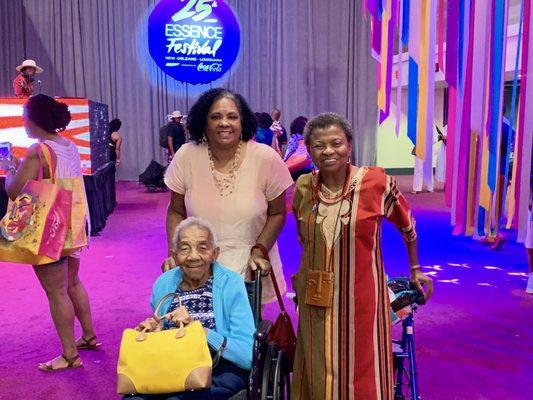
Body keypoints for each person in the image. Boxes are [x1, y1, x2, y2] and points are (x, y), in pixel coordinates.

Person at [291, 112, 433, 399]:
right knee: (317, 358)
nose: (328, 151)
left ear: (350, 145)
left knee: (363, 360)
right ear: (309, 151)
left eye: (336, 143)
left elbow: (408, 225)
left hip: (363, 294)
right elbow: (304, 238)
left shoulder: (376, 182)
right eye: (319, 146)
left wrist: (415, 268)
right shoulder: (304, 187)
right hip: (315, 294)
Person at [162, 88, 293, 303]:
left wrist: (260, 250)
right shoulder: (186, 156)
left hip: (250, 269)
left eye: (232, 116)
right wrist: (175, 252)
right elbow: (176, 210)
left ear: (243, 122)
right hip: (198, 266)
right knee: (198, 333)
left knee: (246, 334)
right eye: (215, 117)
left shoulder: (265, 158)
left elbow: (277, 213)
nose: (224, 123)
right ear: (203, 123)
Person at [0, 94, 98, 371]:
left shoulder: (37, 150)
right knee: (72, 283)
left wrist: (9, 169)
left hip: (50, 229)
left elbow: (14, 189)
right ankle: (89, 336)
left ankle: (69, 356)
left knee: (56, 292)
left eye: (24, 117)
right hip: (75, 224)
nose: (23, 121)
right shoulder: (68, 145)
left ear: (35, 119)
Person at [125, 218, 255, 400]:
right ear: (175, 255)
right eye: (185, 248)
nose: (194, 256)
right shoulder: (164, 283)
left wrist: (200, 331)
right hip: (170, 367)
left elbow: (247, 355)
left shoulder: (231, 284)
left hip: (218, 369)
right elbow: (161, 339)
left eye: (203, 248)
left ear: (215, 253)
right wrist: (153, 331)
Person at [283, 116, 313, 180]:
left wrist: (285, 162)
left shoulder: (295, 137)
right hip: (308, 167)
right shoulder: (310, 137)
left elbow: (290, 151)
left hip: (297, 167)